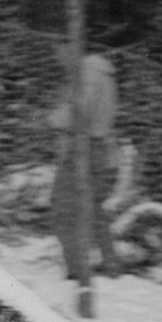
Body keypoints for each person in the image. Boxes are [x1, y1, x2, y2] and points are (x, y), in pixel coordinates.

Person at [48, 46, 123, 280]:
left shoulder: (88, 72)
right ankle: (111, 266)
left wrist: (53, 119)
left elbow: (80, 112)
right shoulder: (103, 72)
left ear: (70, 46)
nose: (58, 60)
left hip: (84, 149)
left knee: (62, 208)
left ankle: (77, 271)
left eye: (59, 52)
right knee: (94, 209)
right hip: (102, 149)